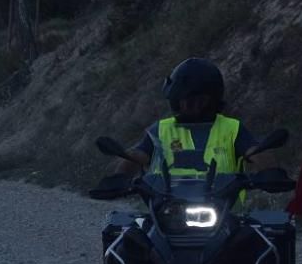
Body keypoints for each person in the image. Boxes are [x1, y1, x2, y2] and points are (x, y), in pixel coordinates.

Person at [116, 58, 274, 176]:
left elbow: (255, 151)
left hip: (224, 211)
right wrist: (119, 177)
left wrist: (271, 173)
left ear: (210, 99)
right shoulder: (161, 130)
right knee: (125, 221)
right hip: (166, 209)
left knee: (269, 220)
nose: (184, 105)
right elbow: (138, 155)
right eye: (180, 99)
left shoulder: (232, 129)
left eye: (191, 100)